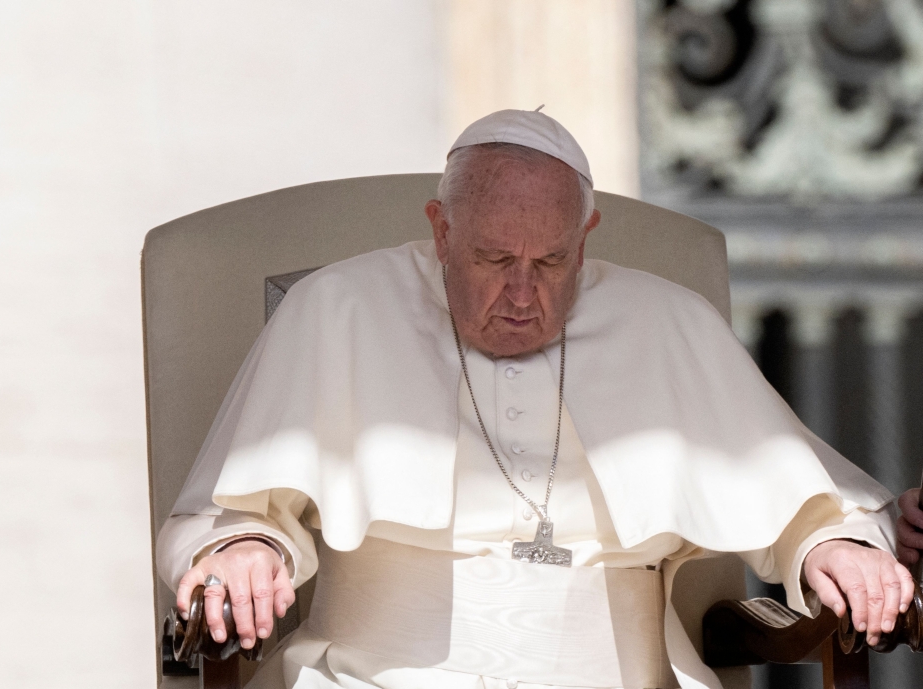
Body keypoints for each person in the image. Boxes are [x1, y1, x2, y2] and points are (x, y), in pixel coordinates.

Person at [157, 109, 913, 689]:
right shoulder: (336, 309)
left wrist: (835, 547)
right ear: (440, 228)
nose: (522, 294)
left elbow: (808, 505)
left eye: (552, 261)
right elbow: (224, 516)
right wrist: (243, 549)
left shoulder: (668, 323)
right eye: (492, 258)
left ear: (585, 237)